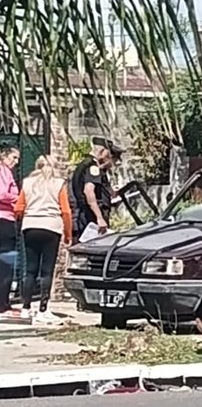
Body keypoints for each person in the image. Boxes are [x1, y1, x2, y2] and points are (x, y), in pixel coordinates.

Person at [14, 156, 72, 324]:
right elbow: (66, 211)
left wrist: (22, 219)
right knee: (46, 270)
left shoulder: (27, 183)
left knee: (30, 269)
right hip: (51, 227)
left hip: (30, 226)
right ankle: (43, 309)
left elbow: (19, 207)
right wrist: (68, 234)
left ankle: (25, 308)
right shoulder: (58, 184)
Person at [69, 137, 121, 244]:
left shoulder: (84, 165)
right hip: (89, 217)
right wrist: (99, 218)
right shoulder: (92, 167)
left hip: (83, 215)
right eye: (108, 154)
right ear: (102, 151)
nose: (109, 158)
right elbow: (89, 192)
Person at [0, 143, 19, 318]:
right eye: (13, 157)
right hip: (4, 220)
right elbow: (1, 194)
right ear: (4, 156)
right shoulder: (3, 172)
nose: (16, 161)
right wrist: (18, 198)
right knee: (6, 263)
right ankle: (3, 304)